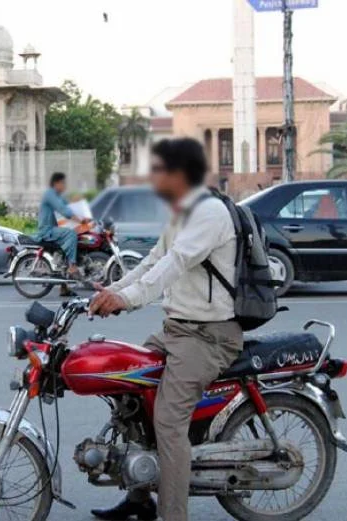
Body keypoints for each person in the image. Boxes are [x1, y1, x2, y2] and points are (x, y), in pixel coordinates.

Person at [89, 138, 243, 521]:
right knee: (130, 397)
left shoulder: (209, 214)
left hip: (209, 336)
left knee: (169, 421)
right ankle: (140, 499)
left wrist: (130, 300)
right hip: (177, 331)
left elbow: (175, 263)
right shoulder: (182, 214)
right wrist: (115, 290)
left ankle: (174, 516)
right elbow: (152, 261)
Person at [37, 172, 89, 281]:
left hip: (54, 229)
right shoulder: (50, 194)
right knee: (71, 234)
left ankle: (64, 287)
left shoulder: (58, 196)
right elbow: (63, 209)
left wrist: (85, 216)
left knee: (76, 235)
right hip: (47, 230)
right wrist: (79, 220)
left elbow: (69, 206)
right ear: (57, 183)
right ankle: (72, 266)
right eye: (63, 183)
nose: (65, 186)